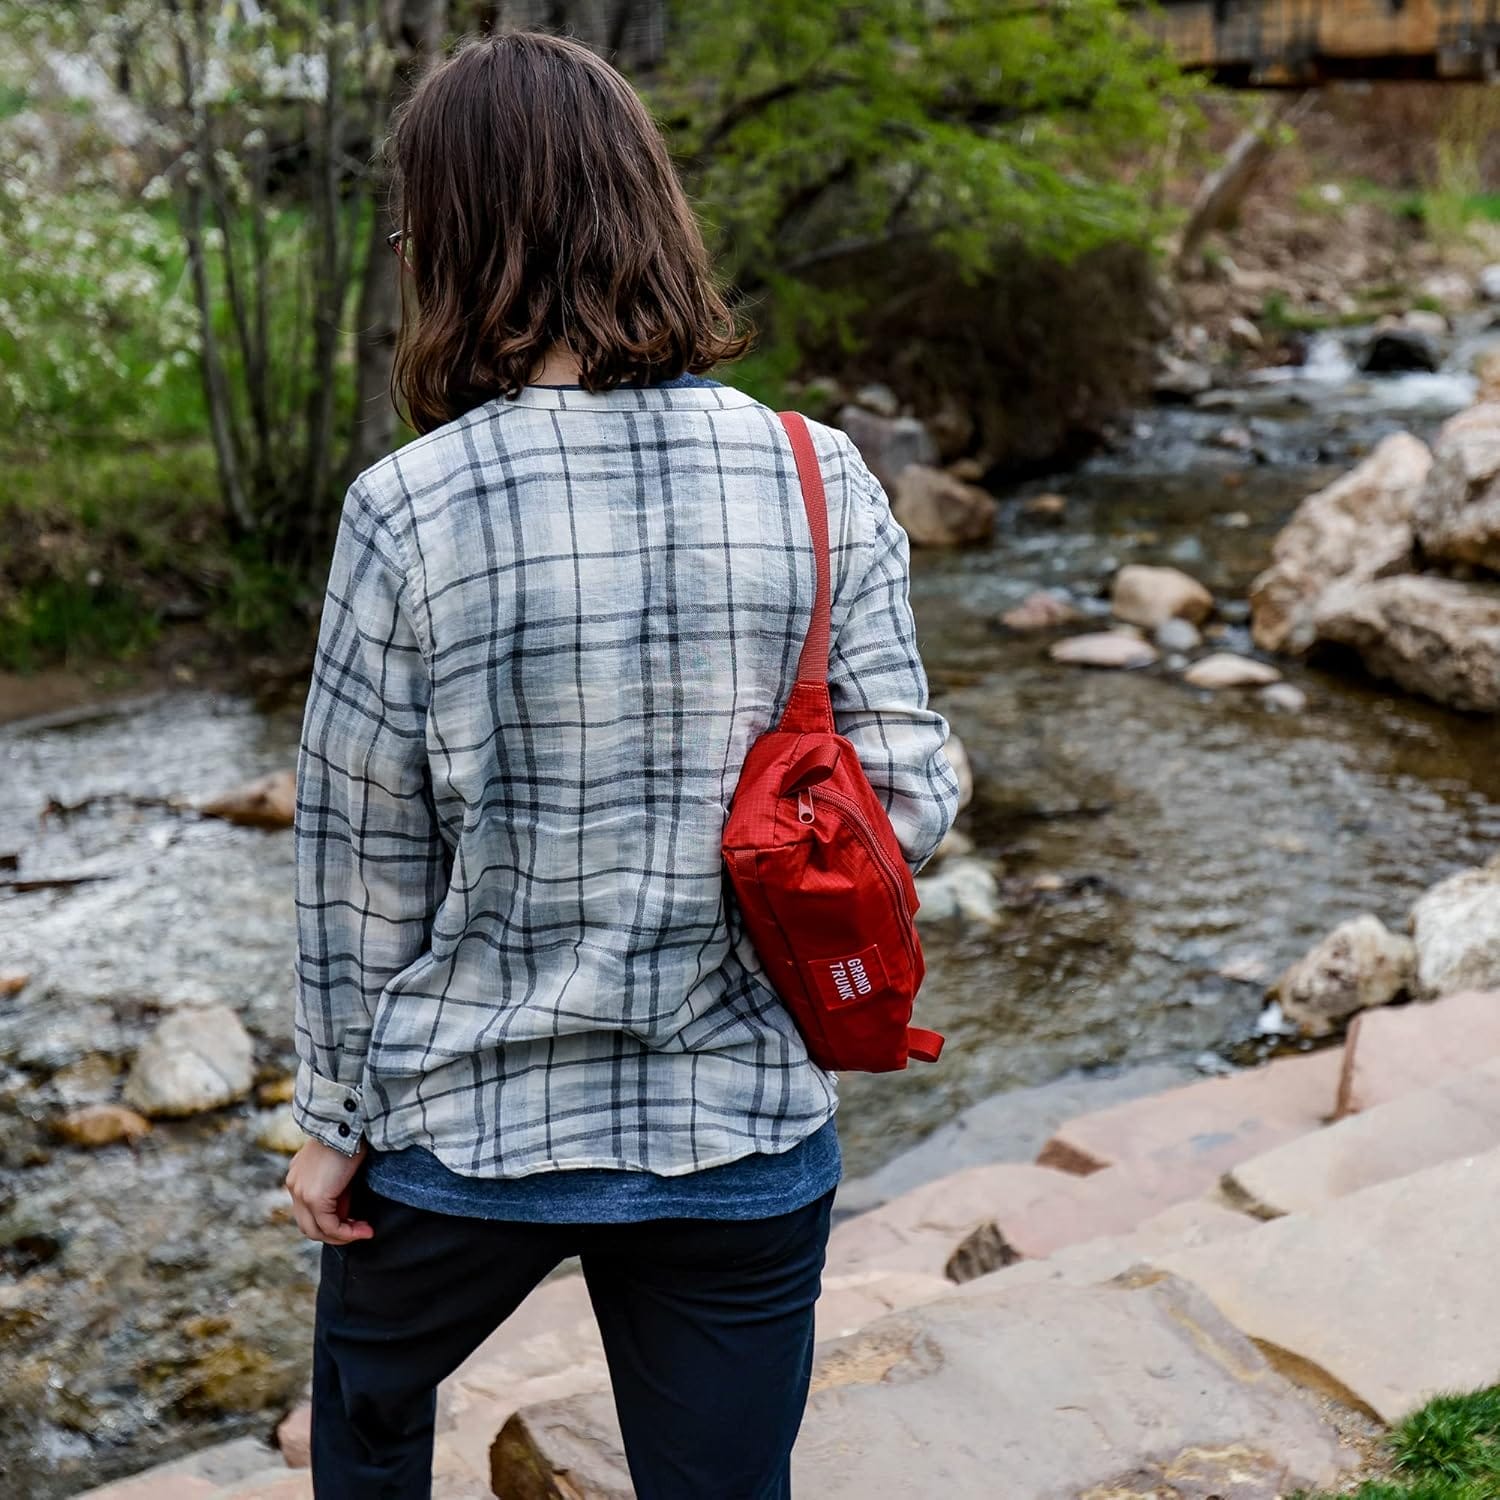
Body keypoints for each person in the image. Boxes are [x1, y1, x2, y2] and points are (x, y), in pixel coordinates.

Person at [284, 30, 958, 1500]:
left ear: (451, 241)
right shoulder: (816, 470)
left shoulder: (406, 508)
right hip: (741, 1129)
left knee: (366, 1423)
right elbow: (911, 795)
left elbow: (359, 867)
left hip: (466, 1136)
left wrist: (332, 1125)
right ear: (646, 210)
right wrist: (744, 851)